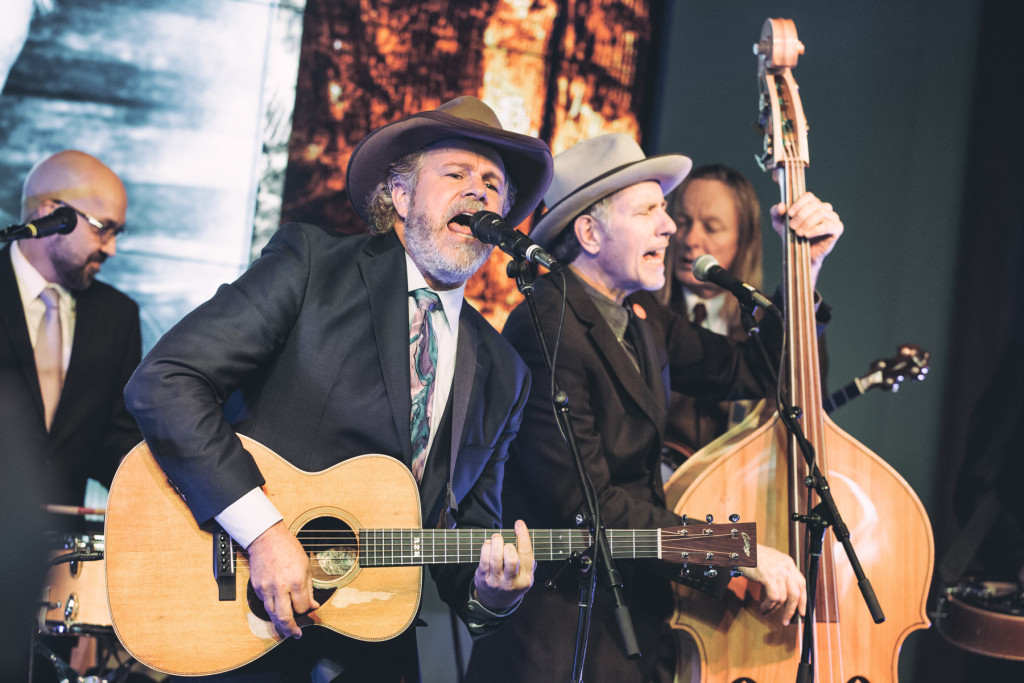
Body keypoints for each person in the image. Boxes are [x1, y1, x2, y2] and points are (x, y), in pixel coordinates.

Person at [123, 96, 551, 682]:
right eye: (456, 174)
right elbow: (165, 381)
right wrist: (264, 533)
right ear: (399, 196)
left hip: (374, 651)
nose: (479, 192)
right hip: (244, 620)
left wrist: (492, 592)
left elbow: (464, 537)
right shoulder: (311, 265)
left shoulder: (506, 371)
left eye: (493, 184)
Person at [464, 133, 842, 682]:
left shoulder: (643, 316)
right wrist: (734, 549)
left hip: (632, 626)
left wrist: (803, 269)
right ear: (590, 232)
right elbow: (592, 508)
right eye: (649, 210)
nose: (670, 227)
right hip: (560, 640)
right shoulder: (545, 326)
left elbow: (754, 371)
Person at [0, 150, 141, 679]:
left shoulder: (117, 316)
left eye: (117, 234)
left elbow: (116, 442)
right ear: (54, 212)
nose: (109, 247)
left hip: (50, 569)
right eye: (104, 229)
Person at [658, 164, 831, 469]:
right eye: (682, 221)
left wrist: (808, 266)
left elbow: (807, 419)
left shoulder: (770, 323)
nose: (690, 239)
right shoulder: (648, 314)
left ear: (743, 239)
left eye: (711, 227)